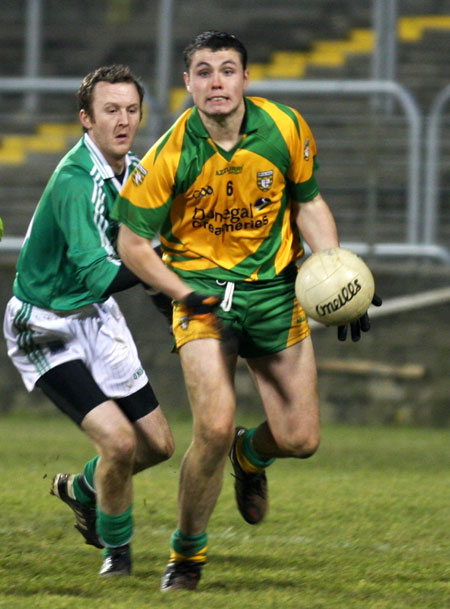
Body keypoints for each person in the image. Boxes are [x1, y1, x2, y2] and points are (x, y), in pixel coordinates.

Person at [112, 31, 382, 591]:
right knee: (211, 426)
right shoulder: (167, 154)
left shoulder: (285, 128)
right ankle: (187, 555)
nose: (216, 82)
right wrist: (182, 293)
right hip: (205, 299)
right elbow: (133, 244)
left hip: (275, 294)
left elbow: (308, 203)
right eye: (204, 71)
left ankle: (250, 456)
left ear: (245, 80)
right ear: (187, 83)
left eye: (227, 70)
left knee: (301, 438)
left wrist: (337, 272)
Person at [3, 65, 175, 577]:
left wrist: (171, 304)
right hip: (43, 325)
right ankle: (116, 558)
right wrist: (168, 277)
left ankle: (82, 489)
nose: (122, 120)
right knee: (119, 443)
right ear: (86, 118)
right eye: (110, 110)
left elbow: (141, 255)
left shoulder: (137, 174)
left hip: (95, 317)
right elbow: (103, 275)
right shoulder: (77, 182)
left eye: (131, 110)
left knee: (158, 446)